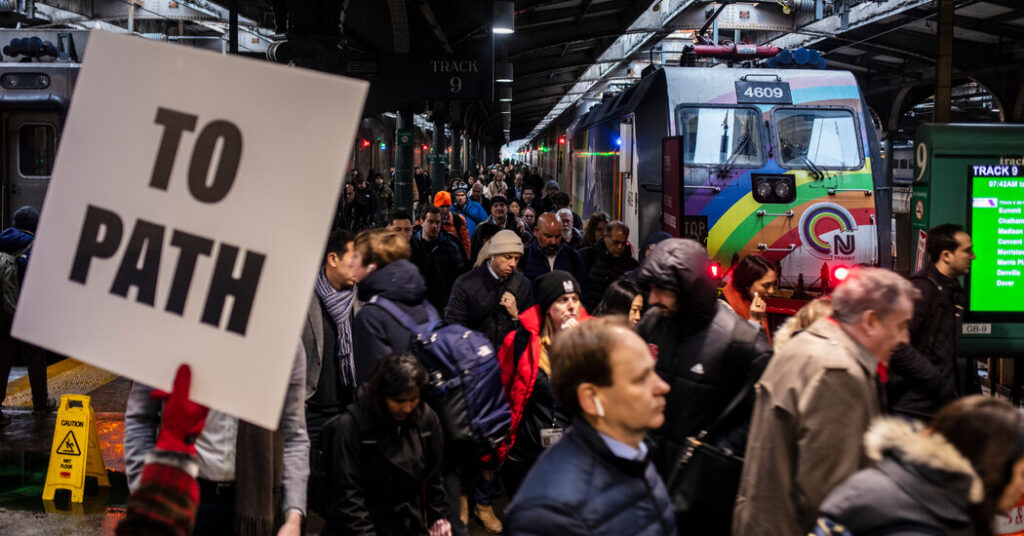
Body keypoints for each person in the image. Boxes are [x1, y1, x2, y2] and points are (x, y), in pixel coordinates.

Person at [733, 267, 919, 536]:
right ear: (870, 321)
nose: (905, 339)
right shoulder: (839, 373)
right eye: (901, 326)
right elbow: (831, 497)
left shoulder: (806, 344)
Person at [504, 316, 676, 536]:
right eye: (641, 378)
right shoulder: (551, 512)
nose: (662, 386)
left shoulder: (637, 453)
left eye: (654, 371)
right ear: (591, 398)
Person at [636, 239, 772, 514]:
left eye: (663, 289)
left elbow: (759, 420)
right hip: (649, 480)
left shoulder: (741, 343)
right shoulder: (652, 324)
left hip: (706, 499)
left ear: (689, 289)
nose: (652, 299)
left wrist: (710, 460)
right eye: (650, 289)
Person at [124, 343, 309, 536]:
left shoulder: (283, 341)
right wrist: (144, 494)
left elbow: (294, 435)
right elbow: (141, 419)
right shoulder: (171, 335)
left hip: (256, 500)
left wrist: (293, 517)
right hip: (180, 494)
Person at [816, 395, 1024, 536]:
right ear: (993, 468)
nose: (1022, 488)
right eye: (1022, 474)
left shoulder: (891, 483)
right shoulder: (913, 523)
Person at [321, 353, 451, 536]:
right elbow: (348, 494)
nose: (407, 408)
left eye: (413, 399)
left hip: (405, 522)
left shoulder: (425, 419)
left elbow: (433, 476)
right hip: (357, 524)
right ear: (381, 395)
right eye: (399, 401)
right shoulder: (351, 425)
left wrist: (438, 517)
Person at [498, 271, 590, 497]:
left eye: (575, 299)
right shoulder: (521, 342)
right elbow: (501, 392)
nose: (571, 306)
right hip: (527, 454)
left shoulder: (591, 342)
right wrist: (499, 450)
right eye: (563, 300)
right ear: (548, 307)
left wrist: (579, 348)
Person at [889, 223, 977, 421]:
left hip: (935, 406)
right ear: (947, 256)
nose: (973, 256)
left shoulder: (948, 291)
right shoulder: (922, 290)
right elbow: (895, 344)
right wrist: (934, 377)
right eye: (967, 250)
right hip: (914, 409)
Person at [116, 365, 208, 536]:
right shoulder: (163, 345)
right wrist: (144, 488)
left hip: (240, 498)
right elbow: (140, 419)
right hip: (168, 488)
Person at [304, 229, 362, 457]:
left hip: (348, 411)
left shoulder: (360, 300)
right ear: (333, 259)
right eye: (353, 259)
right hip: (311, 412)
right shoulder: (304, 299)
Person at [350, 229, 431, 384]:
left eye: (356, 256)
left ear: (371, 267)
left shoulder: (371, 316)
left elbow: (374, 385)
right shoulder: (421, 302)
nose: (351, 262)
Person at [0, 205, 54, 425]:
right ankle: (40, 404)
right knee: (35, 359)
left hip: (2, 313)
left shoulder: (2, 240)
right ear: (35, 226)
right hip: (27, 314)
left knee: (2, 361)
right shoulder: (35, 248)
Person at [445, 230, 534, 351]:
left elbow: (531, 331)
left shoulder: (523, 285)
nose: (513, 264)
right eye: (508, 257)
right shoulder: (466, 284)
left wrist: (516, 316)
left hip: (510, 361)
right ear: (493, 255)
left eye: (517, 259)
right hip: (476, 361)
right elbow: (453, 328)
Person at [520, 213, 590, 305]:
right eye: (548, 236)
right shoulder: (523, 257)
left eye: (557, 236)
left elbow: (584, 292)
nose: (553, 241)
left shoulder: (573, 257)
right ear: (536, 231)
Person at [409, 206, 468, 313]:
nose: (435, 226)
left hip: (443, 305)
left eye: (438, 222)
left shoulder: (451, 246)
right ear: (421, 222)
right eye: (430, 222)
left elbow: (460, 276)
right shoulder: (410, 245)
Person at [580, 220, 639, 311]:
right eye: (616, 242)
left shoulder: (632, 265)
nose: (620, 247)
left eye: (623, 243)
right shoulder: (587, 256)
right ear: (605, 238)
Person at [721, 255, 778, 342]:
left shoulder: (751, 302)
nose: (771, 291)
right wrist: (754, 321)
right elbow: (736, 349)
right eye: (766, 285)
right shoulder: (723, 308)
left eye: (773, 285)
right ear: (747, 284)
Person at [432, 192, 471, 260]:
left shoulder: (458, 219)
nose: (445, 210)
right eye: (442, 206)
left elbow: (466, 244)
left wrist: (467, 261)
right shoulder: (427, 220)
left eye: (447, 206)